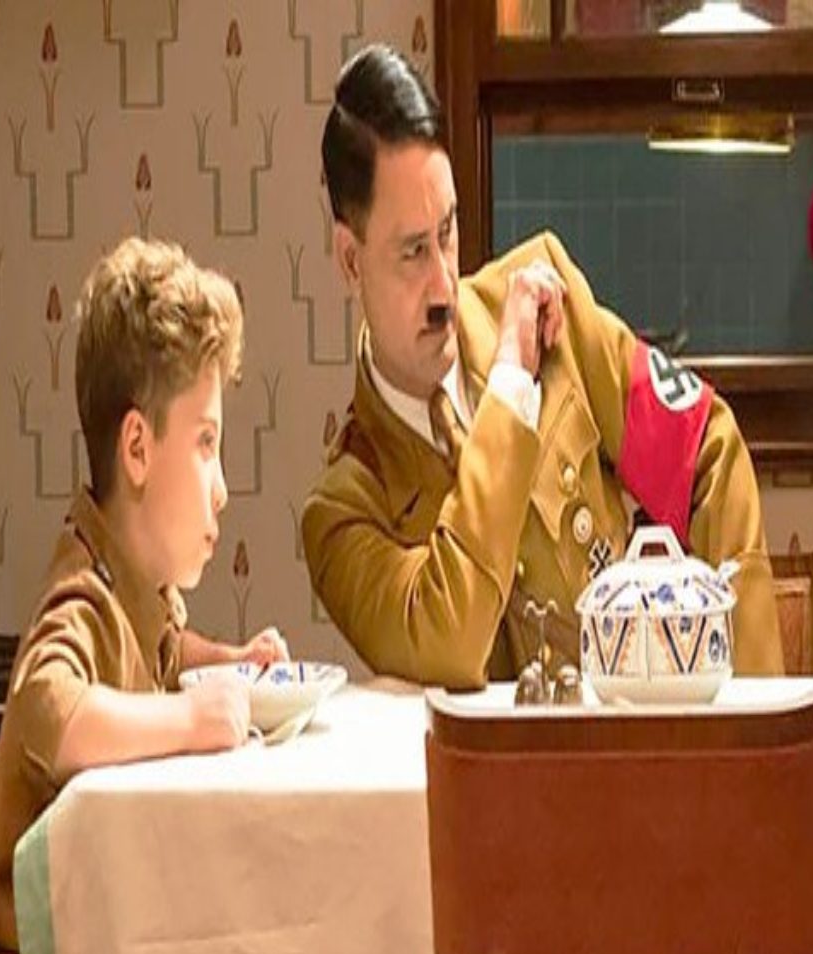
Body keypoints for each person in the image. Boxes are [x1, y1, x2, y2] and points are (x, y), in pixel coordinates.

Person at [301, 43, 784, 687]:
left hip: (632, 738)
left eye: (447, 232)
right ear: (349, 259)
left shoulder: (549, 310)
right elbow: (450, 642)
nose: (444, 285)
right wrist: (508, 388)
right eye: (413, 252)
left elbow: (707, 452)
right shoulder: (343, 513)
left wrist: (747, 714)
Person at [0, 237, 289, 954]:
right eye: (206, 443)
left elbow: (165, 652)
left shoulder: (137, 590)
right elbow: (46, 705)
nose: (222, 489)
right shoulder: (83, 593)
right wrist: (191, 718)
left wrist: (230, 662)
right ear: (138, 448)